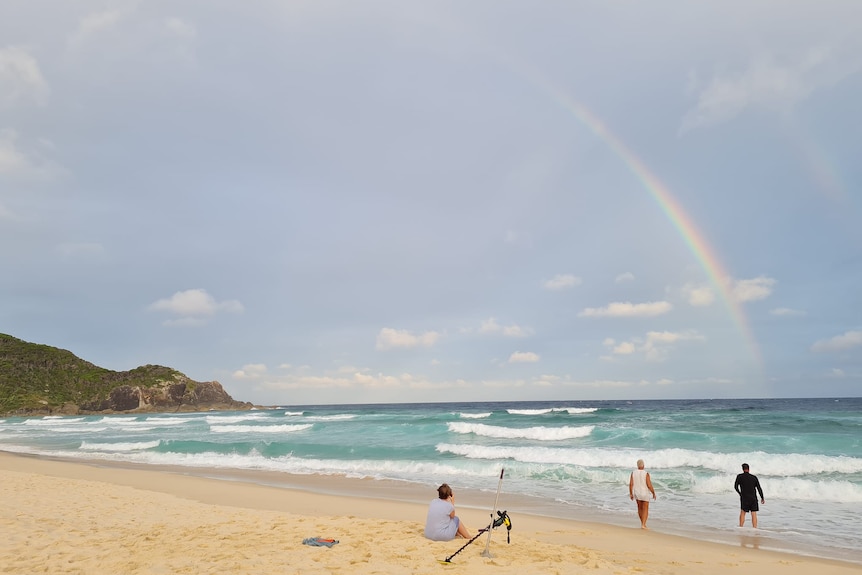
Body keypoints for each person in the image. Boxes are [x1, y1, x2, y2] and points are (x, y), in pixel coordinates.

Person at [734, 463, 765, 528]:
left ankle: (741, 527)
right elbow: (759, 488)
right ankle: (754, 528)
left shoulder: (739, 476)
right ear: (749, 469)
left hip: (744, 498)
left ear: (743, 469)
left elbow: (735, 487)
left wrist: (740, 494)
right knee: (753, 513)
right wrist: (762, 497)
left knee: (743, 512)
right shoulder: (754, 477)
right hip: (753, 498)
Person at [629, 459, 656, 529]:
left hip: (637, 493)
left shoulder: (633, 473)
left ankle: (642, 523)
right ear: (643, 465)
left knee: (640, 509)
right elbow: (649, 485)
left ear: (637, 466)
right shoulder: (646, 473)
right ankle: (643, 524)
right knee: (645, 509)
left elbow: (631, 484)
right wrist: (653, 492)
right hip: (645, 493)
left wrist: (631, 493)